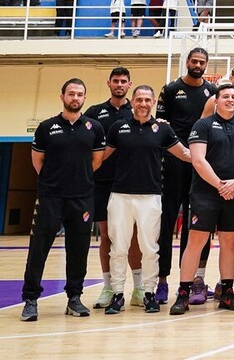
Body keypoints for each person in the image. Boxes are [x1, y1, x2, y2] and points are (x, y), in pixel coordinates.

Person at [20, 79, 106, 322]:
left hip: (82, 198)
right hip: (50, 197)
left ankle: (74, 298)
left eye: (79, 94)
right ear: (62, 97)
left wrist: (78, 180)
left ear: (84, 98)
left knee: (78, 249)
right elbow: (38, 162)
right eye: (71, 94)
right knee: (39, 249)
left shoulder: (94, 127)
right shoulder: (46, 127)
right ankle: (30, 299)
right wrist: (54, 182)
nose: (75, 98)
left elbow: (96, 161)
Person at [168, 83, 234, 315]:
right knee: (196, 242)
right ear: (215, 101)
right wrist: (220, 185)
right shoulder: (203, 125)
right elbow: (198, 160)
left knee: (229, 243)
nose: (230, 99)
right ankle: (183, 294)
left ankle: (227, 293)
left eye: (233, 97)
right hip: (206, 193)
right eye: (225, 96)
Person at [102, 86, 190, 314]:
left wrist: (213, 158)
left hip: (150, 198)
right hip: (120, 196)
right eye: (139, 99)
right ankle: (117, 294)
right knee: (118, 248)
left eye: (147, 99)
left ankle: (149, 293)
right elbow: (99, 157)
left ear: (153, 103)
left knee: (150, 249)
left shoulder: (163, 130)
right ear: (132, 101)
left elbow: (187, 155)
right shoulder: (117, 128)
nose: (143, 103)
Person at [155, 48, 218, 304]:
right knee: (167, 222)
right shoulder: (170, 89)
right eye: (194, 61)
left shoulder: (212, 93)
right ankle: (161, 281)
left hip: (200, 165)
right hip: (173, 163)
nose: (198, 65)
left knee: (198, 226)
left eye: (202, 62)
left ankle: (194, 280)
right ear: (187, 62)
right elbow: (160, 124)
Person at [84, 69, 141, 310]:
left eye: (123, 81)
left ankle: (139, 288)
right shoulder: (95, 113)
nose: (119, 84)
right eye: (115, 81)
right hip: (103, 183)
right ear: (109, 83)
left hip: (131, 183)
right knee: (106, 235)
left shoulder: (137, 111)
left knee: (135, 237)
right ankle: (108, 287)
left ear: (130, 85)